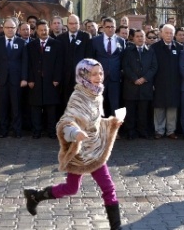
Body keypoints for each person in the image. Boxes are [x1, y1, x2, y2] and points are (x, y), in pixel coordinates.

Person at [22, 59, 124, 230]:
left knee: (108, 187)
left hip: (95, 150)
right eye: (93, 74)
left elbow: (94, 122)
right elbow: (66, 121)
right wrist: (75, 133)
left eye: (100, 73)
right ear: (83, 75)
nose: (98, 77)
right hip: (80, 151)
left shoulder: (97, 93)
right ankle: (36, 197)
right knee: (71, 188)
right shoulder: (78, 96)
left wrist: (112, 122)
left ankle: (117, 227)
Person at [0, 18, 28, 138]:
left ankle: (17, 130)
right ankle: (3, 130)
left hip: (17, 80)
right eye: (7, 27)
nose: (10, 30)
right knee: (3, 106)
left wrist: (24, 78)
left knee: (16, 107)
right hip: (1, 79)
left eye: (12, 27)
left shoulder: (22, 42)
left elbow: (24, 62)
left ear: (16, 29)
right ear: (3, 28)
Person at [27, 20, 63, 138]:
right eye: (41, 30)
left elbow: (59, 63)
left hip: (51, 81)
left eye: (45, 30)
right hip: (35, 81)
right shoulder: (31, 45)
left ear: (49, 30)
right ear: (36, 31)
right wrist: (30, 79)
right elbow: (28, 64)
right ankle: (36, 131)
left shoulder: (56, 44)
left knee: (51, 108)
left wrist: (57, 78)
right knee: (35, 107)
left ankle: (51, 132)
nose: (44, 32)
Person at [121, 30, 157, 139]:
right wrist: (134, 79)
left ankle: (142, 131)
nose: (140, 38)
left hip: (145, 86)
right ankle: (131, 131)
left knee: (143, 111)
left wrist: (144, 78)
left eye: (142, 36)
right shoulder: (128, 51)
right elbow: (125, 66)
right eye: (137, 36)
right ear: (133, 38)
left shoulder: (150, 51)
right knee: (130, 111)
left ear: (145, 38)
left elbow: (154, 67)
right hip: (131, 86)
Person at [150, 24, 183, 139]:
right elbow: (152, 66)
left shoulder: (179, 47)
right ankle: (159, 130)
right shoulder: (154, 48)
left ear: (173, 35)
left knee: (172, 107)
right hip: (159, 81)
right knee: (159, 107)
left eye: (171, 33)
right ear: (161, 34)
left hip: (174, 82)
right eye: (166, 33)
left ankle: (171, 131)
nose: (169, 35)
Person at [92, 18, 126, 119]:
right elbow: (92, 59)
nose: (110, 29)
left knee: (115, 105)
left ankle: (114, 130)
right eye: (108, 27)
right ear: (103, 27)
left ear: (115, 27)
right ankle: (98, 129)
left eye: (112, 27)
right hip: (99, 80)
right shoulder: (95, 41)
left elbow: (123, 59)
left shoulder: (121, 41)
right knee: (98, 105)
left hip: (115, 79)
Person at [56, 14, 92, 111]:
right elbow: (58, 59)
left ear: (79, 24)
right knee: (65, 103)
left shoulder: (85, 36)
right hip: (65, 77)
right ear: (67, 24)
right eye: (71, 23)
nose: (73, 26)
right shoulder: (60, 38)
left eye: (75, 23)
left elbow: (88, 58)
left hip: (81, 77)